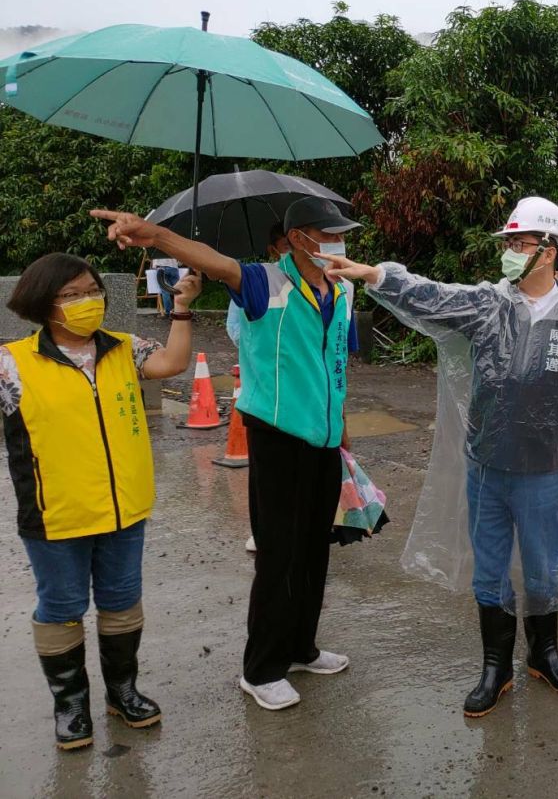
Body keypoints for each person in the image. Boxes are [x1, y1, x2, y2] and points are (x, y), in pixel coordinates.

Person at [318, 196, 558, 719]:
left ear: (547, 252)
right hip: (489, 464)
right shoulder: (488, 303)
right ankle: (495, 665)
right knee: (491, 569)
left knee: (544, 571)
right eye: (509, 243)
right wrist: (375, 275)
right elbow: (430, 297)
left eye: (519, 243)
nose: (509, 252)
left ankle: (544, 655)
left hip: (547, 467)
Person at [92, 197, 360, 713]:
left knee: (313, 551)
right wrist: (157, 236)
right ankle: (261, 670)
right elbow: (213, 259)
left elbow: (336, 364)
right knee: (279, 555)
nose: (337, 244)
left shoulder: (343, 288)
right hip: (277, 435)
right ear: (300, 236)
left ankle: (302, 647)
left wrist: (342, 424)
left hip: (325, 438)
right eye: (329, 234)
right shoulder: (263, 282)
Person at [2, 253, 199, 750]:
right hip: (56, 512)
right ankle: (70, 704)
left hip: (124, 507)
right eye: (71, 295)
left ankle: (122, 692)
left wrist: (182, 307)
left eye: (91, 290)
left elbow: (172, 363)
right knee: (62, 606)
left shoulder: (124, 348)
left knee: (120, 602)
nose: (86, 301)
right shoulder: (11, 363)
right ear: (44, 304)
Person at [225, 221, 291, 554]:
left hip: (309, 399)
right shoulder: (257, 283)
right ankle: (264, 530)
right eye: (286, 244)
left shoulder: (332, 287)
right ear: (273, 249)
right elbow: (236, 330)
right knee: (267, 475)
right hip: (265, 393)